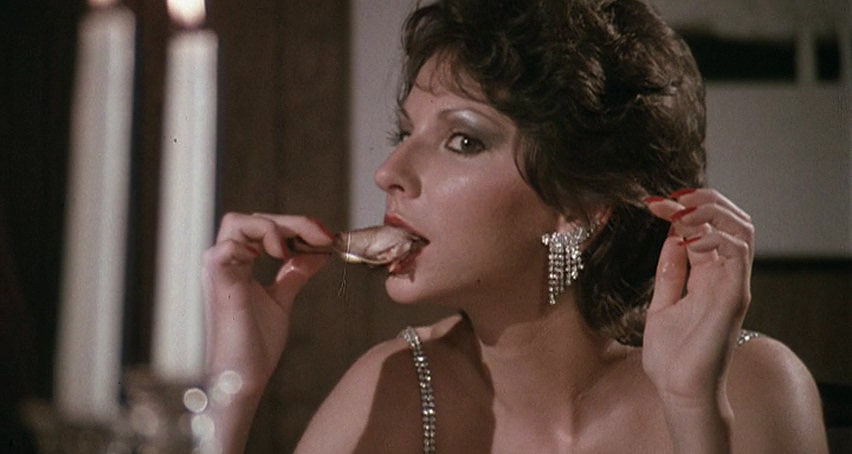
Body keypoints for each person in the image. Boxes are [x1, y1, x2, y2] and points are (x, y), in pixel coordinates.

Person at [203, 0, 828, 452]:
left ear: (582, 205)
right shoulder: (391, 391)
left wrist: (694, 413)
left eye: (462, 140)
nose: (389, 172)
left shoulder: (754, 387)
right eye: (404, 133)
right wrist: (233, 387)